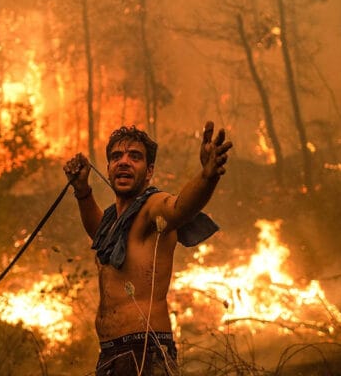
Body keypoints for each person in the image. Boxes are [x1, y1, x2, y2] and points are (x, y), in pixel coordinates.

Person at [64, 121, 233, 375]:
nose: (124, 162)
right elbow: (97, 232)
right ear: (108, 169)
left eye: (135, 157)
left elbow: (179, 208)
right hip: (111, 354)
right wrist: (83, 191)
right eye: (116, 157)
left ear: (149, 170)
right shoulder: (113, 222)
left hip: (144, 351)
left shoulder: (152, 207)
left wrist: (207, 176)